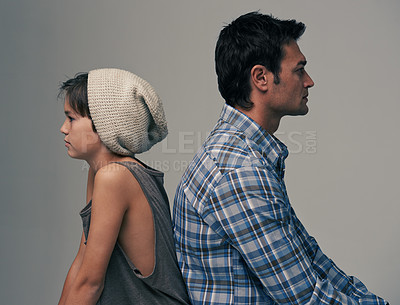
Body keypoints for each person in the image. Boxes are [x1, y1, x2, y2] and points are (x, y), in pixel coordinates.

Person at [173, 12, 388, 304]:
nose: (309, 81)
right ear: (261, 77)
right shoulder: (239, 172)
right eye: (299, 70)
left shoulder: (247, 155)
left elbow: (311, 258)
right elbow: (306, 298)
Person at [58, 68, 191, 305]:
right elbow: (82, 262)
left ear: (104, 123)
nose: (64, 128)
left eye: (71, 118)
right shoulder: (99, 171)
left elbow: (91, 282)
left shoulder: (115, 177)